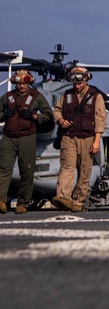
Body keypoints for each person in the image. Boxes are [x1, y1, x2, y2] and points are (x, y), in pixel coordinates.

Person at [52, 66, 106, 212]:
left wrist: (96, 141)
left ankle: (78, 200)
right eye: (74, 83)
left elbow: (100, 119)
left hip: (88, 137)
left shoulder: (96, 96)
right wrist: (61, 120)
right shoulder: (67, 94)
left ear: (86, 80)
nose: (77, 85)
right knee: (67, 166)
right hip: (69, 137)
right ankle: (63, 197)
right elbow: (57, 110)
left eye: (80, 83)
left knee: (84, 170)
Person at [0, 70, 54, 214]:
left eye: (24, 83)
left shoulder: (36, 97)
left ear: (29, 83)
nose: (22, 86)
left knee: (27, 170)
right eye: (19, 83)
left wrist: (35, 117)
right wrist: (4, 115)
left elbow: (48, 115)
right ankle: (1, 201)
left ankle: (22, 203)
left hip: (27, 137)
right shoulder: (8, 97)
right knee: (4, 169)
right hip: (8, 137)